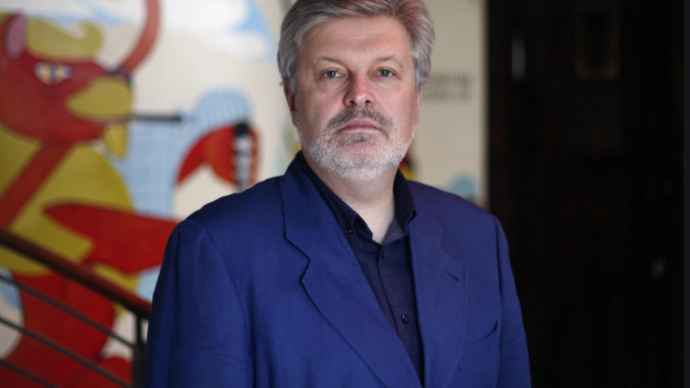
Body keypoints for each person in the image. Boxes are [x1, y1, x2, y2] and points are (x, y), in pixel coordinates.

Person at [143, 0, 531, 387]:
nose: (359, 95)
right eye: (331, 73)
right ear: (293, 99)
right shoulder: (216, 248)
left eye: (384, 72)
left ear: (416, 96)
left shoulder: (479, 237)